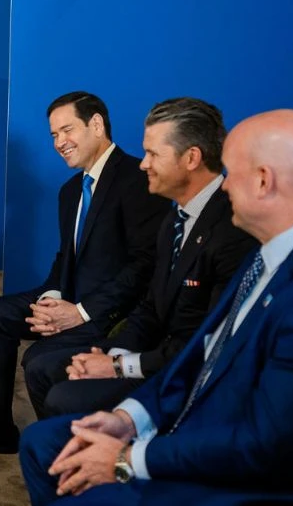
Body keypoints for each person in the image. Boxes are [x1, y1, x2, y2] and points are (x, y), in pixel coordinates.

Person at [19, 109, 293, 506]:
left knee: (71, 471)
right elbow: (204, 353)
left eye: (231, 173)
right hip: (191, 420)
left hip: (236, 473)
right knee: (40, 442)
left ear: (263, 181)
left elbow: (264, 445)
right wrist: (129, 418)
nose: (224, 186)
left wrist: (127, 459)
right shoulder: (268, 248)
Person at [0, 92, 169, 455]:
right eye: (54, 135)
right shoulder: (71, 191)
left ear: (96, 124)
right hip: (70, 297)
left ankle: (64, 449)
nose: (59, 142)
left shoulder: (137, 179)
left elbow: (143, 267)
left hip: (111, 311)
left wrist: (79, 313)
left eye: (67, 130)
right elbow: (65, 258)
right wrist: (51, 299)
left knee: (37, 360)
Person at [24, 98, 257, 417]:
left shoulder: (234, 231)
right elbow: (151, 308)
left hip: (184, 374)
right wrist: (108, 353)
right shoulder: (174, 221)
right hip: (151, 350)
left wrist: (118, 365)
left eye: (153, 154)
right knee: (41, 369)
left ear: (191, 158)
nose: (144, 164)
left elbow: (207, 345)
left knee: (62, 397)